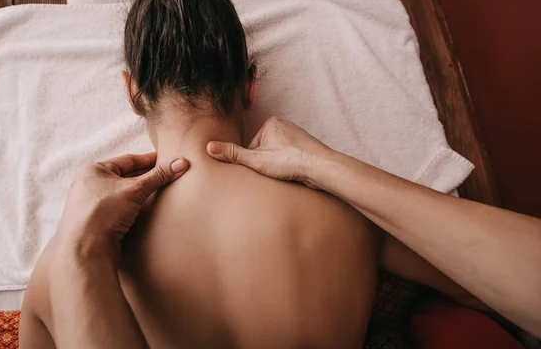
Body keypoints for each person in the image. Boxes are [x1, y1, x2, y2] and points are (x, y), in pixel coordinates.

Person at [20, 0, 486, 347]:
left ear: (133, 93)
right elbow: (479, 283)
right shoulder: (350, 208)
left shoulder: (69, 264)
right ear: (249, 85)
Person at [207, 116, 541, 338]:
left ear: (149, 104)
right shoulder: (342, 213)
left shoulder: (152, 238)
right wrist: (315, 164)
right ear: (250, 85)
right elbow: (470, 290)